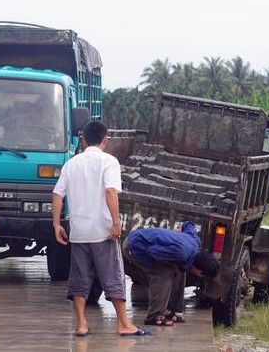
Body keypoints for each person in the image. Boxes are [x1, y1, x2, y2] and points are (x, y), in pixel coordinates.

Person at [52, 121, 151, 337]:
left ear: (84, 140)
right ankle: (123, 324)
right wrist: (116, 223)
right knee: (113, 276)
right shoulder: (109, 162)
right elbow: (110, 192)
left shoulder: (71, 164)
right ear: (106, 139)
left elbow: (58, 194)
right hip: (102, 232)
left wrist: (57, 224)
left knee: (79, 278)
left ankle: (81, 325)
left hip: (78, 232)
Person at [125, 223, 219, 326]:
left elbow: (188, 225)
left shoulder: (195, 242)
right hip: (134, 246)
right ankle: (154, 316)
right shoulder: (180, 254)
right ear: (200, 271)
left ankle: (173, 311)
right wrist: (168, 264)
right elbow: (152, 251)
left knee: (180, 271)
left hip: (144, 240)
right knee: (163, 274)